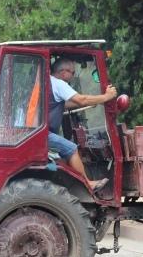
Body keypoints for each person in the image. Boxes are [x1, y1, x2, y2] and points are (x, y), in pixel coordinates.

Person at [48, 58, 117, 191]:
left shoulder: (47, 82)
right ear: (63, 72)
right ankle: (88, 183)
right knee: (72, 149)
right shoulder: (58, 84)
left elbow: (65, 104)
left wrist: (92, 101)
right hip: (44, 135)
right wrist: (106, 97)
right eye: (72, 73)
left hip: (37, 133)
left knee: (63, 154)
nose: (73, 76)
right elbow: (81, 99)